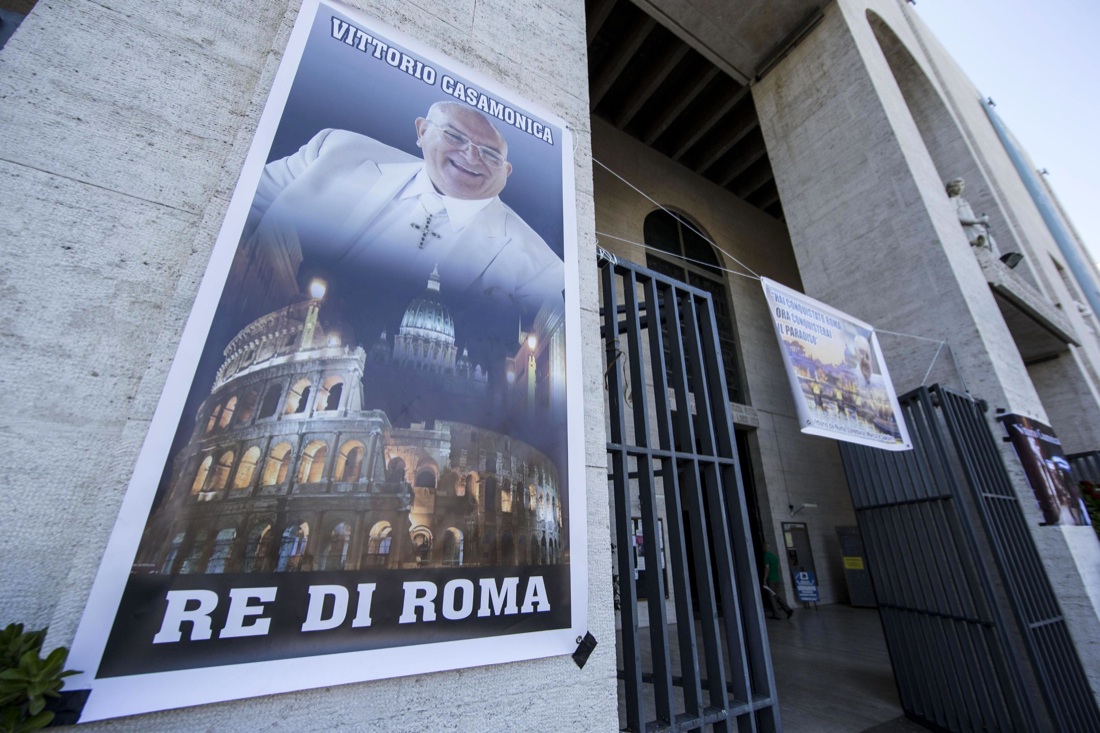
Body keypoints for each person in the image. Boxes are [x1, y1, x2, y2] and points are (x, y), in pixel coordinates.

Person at [244, 101, 564, 315]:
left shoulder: (540, 270)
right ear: (422, 131)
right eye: (455, 136)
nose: (471, 156)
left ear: (505, 174)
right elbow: (237, 212)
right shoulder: (338, 151)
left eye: (490, 155)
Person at [945, 178, 1003, 258]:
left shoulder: (963, 201)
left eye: (962, 185)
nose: (961, 187)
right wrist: (977, 221)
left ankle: (998, 261)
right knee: (983, 244)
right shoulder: (953, 200)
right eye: (959, 185)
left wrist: (980, 221)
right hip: (969, 229)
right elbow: (954, 216)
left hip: (976, 227)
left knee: (991, 242)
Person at [761, 543, 793, 620]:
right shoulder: (774, 556)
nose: (763, 548)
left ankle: (777, 614)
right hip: (777, 579)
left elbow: (767, 568)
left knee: (772, 597)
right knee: (776, 596)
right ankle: (788, 609)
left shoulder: (766, 556)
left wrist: (765, 578)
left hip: (770, 579)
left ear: (765, 547)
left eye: (763, 547)